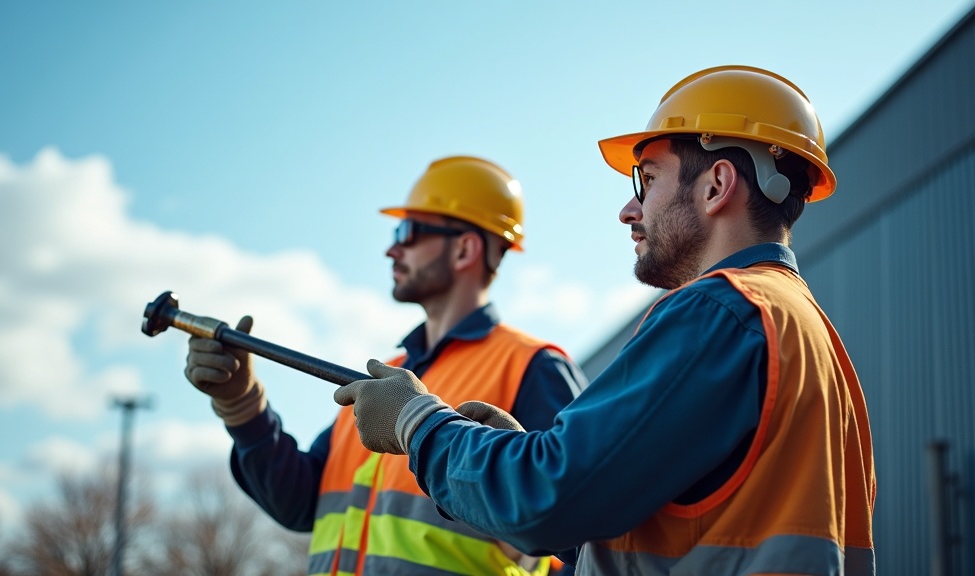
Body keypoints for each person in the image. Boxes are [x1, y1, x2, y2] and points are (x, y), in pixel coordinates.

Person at [333, 66, 877, 575]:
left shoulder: (721, 310)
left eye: (648, 180)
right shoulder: (808, 334)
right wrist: (519, 457)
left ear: (717, 186)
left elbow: (548, 500)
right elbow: (674, 529)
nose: (628, 210)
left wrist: (419, 424)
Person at [184, 155, 587, 576]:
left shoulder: (532, 366)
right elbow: (300, 504)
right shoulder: (386, 375)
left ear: (465, 248)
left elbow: (581, 527)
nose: (391, 248)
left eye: (408, 232)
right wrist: (242, 406)